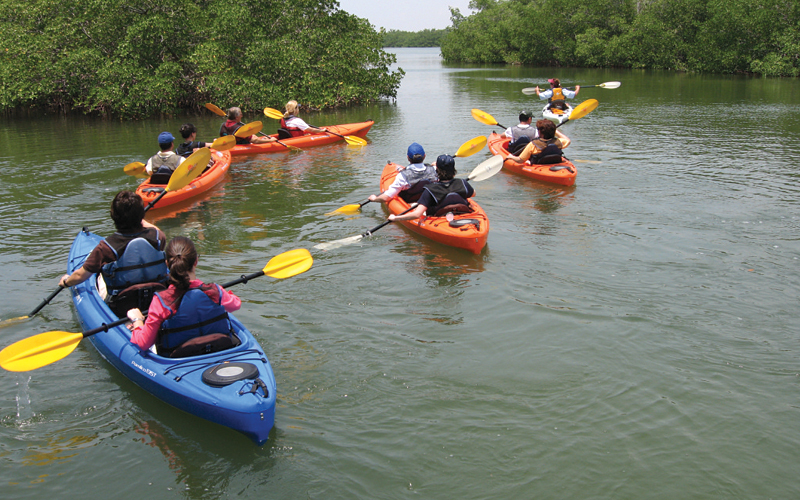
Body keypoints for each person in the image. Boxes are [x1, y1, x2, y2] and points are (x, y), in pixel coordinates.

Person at [127, 236, 242, 358]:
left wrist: (137, 320)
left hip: (178, 359)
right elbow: (236, 305)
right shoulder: (215, 291)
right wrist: (224, 292)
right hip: (219, 349)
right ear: (196, 261)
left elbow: (144, 343)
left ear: (167, 263)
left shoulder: (162, 301)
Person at [59, 191, 168, 316]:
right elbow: (156, 230)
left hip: (123, 307)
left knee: (98, 274)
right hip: (157, 299)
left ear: (113, 216)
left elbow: (80, 276)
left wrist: (66, 282)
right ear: (141, 216)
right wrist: (137, 216)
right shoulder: (158, 238)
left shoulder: (105, 248)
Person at [388, 155, 475, 222]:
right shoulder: (462, 183)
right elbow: (473, 194)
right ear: (454, 170)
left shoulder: (430, 190)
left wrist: (395, 218)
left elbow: (417, 214)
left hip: (439, 219)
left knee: (416, 206)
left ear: (436, 171)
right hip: (463, 215)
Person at [368, 142, 438, 204]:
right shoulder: (434, 170)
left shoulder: (402, 176)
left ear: (408, 158)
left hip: (409, 202)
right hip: (428, 202)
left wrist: (374, 199)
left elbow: (386, 197)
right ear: (424, 156)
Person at [507, 119, 571, 165]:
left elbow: (520, 160)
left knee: (528, 160)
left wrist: (511, 157)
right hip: (554, 163)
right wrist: (556, 131)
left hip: (538, 165)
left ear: (540, 132)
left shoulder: (533, 144)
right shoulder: (559, 142)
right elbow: (568, 140)